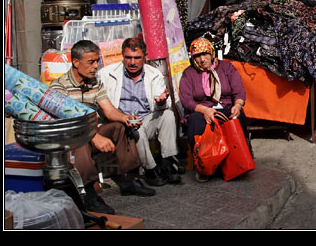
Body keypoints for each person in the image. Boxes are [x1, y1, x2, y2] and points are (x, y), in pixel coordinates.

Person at [49, 40, 155, 215]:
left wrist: (125, 118)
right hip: (71, 136)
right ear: (76, 62)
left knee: (120, 127)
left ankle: (129, 180)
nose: (96, 66)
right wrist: (94, 137)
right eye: (91, 62)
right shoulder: (59, 87)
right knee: (80, 142)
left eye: (97, 61)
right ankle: (90, 196)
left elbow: (108, 109)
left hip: (91, 131)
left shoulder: (95, 83)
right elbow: (69, 122)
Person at [98, 37, 182, 187]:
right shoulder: (107, 74)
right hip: (123, 121)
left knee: (168, 115)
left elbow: (161, 101)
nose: (132, 62)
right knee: (138, 130)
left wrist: (161, 101)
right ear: (122, 56)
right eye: (128, 57)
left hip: (146, 118)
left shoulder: (153, 74)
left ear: (145, 57)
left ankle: (167, 164)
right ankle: (150, 169)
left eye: (137, 58)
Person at [179, 37, 248, 182]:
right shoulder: (189, 73)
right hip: (202, 110)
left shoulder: (227, 68)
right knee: (194, 120)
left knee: (239, 115)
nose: (202, 59)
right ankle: (203, 166)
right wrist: (204, 110)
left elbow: (239, 92)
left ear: (212, 53)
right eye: (197, 56)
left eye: (205, 54)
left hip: (226, 107)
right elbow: (186, 100)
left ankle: (237, 161)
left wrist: (237, 105)